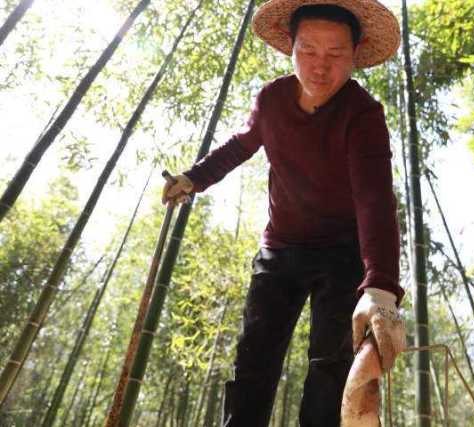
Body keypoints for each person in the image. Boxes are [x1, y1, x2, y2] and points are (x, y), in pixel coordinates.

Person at [162, 1, 406, 425]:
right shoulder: (272, 100)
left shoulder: (363, 114)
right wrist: (193, 178)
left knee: (330, 368)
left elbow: (375, 199)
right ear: (289, 48)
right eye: (308, 51)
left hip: (343, 254)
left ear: (357, 52)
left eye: (335, 54)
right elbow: (239, 145)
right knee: (254, 359)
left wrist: (381, 289)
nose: (320, 67)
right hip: (280, 249)